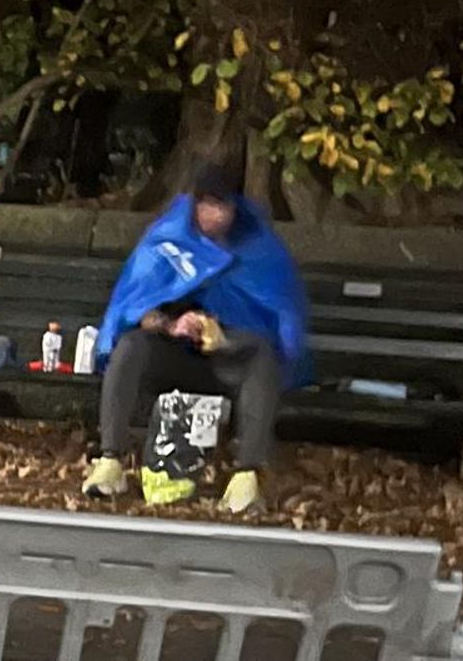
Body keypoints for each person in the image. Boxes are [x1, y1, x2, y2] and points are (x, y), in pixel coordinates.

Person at [81, 164, 310, 513]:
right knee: (130, 348)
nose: (215, 215)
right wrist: (172, 325)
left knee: (262, 358)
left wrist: (226, 339)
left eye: (223, 207)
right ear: (194, 205)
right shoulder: (169, 240)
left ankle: (246, 476)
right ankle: (110, 461)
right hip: (177, 357)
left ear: (235, 208)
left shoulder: (259, 249)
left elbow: (278, 328)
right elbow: (136, 308)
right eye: (207, 205)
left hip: (231, 363)